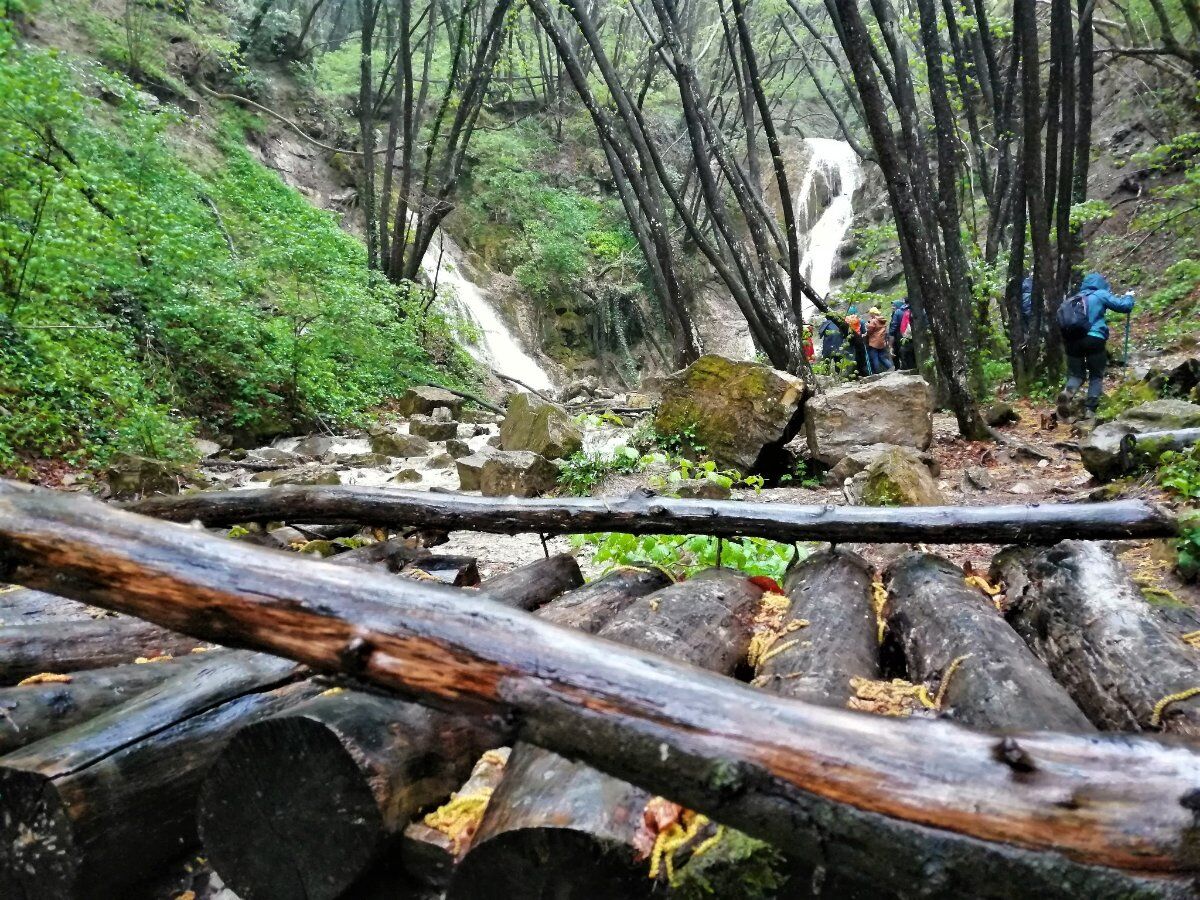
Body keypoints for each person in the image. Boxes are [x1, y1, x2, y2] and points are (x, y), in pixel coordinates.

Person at [1056, 272, 1135, 420]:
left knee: (1076, 375)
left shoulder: (1074, 298)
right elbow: (1124, 306)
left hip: (1072, 341)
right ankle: (1090, 411)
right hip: (1094, 338)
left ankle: (1067, 392)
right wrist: (1129, 296)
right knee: (1096, 376)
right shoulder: (1100, 294)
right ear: (1101, 283)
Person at [865, 307, 893, 373]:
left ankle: (877, 373)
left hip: (874, 342)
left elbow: (870, 331)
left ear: (873, 313)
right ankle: (891, 367)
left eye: (870, 314)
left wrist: (867, 326)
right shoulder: (882, 320)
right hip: (881, 341)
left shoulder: (873, 321)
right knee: (882, 357)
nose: (870, 315)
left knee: (874, 358)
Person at [887, 298, 907, 367]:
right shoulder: (901, 312)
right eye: (892, 306)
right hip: (901, 334)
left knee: (897, 352)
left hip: (897, 335)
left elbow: (894, 325)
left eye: (894, 306)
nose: (892, 307)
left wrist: (891, 334)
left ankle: (899, 367)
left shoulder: (897, 313)